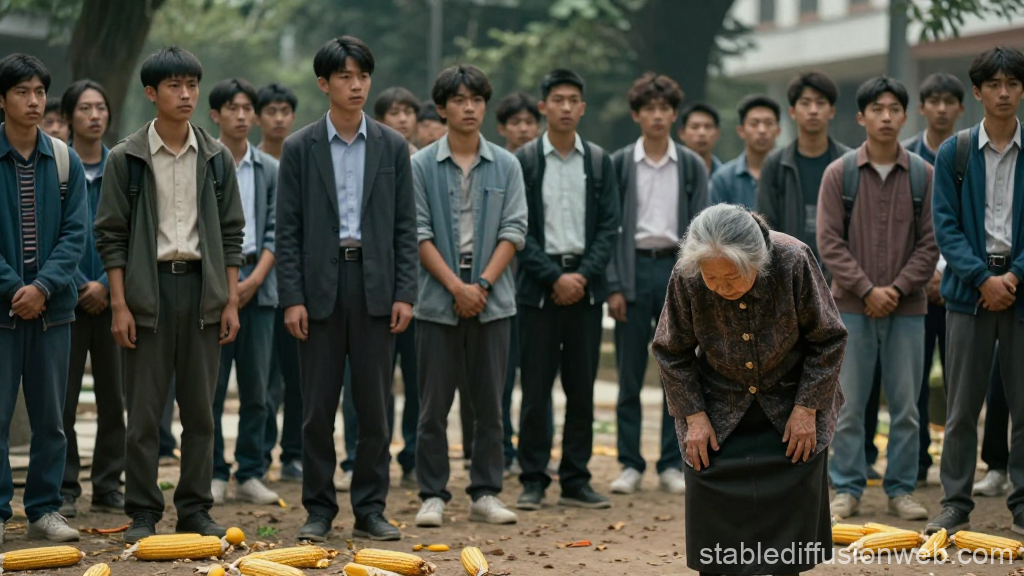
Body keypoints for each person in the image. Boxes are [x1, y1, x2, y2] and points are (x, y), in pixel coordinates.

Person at [95, 46, 244, 543]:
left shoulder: (216, 157)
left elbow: (231, 234)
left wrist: (230, 299)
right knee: (142, 415)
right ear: (151, 93)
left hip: (203, 289)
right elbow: (111, 235)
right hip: (146, 291)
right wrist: (119, 304)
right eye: (175, 86)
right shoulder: (127, 157)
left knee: (201, 412)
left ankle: (196, 508)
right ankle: (142, 510)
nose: (186, 95)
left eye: (192, 85)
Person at [653, 204, 846, 576]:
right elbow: (670, 350)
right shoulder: (688, 273)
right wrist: (694, 416)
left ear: (757, 261)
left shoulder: (793, 259)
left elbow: (829, 339)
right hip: (717, 408)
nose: (722, 288)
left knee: (789, 527)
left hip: (791, 403)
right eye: (713, 279)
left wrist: (807, 409)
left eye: (732, 278)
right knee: (714, 513)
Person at [276, 35, 417, 542]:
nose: (356, 85)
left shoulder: (392, 145)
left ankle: (371, 508)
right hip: (317, 290)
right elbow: (286, 229)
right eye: (344, 77)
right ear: (323, 84)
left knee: (375, 407)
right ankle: (318, 509)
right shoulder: (299, 147)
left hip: (376, 288)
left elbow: (406, 226)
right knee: (316, 409)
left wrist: (405, 292)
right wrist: (291, 296)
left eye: (362, 76)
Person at [411, 65, 527, 528]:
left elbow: (514, 230)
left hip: (491, 298)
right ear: (441, 108)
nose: (469, 107)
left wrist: (479, 286)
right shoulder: (419, 164)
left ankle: (485, 492)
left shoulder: (506, 164)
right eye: (459, 100)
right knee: (432, 404)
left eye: (477, 99)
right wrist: (456, 286)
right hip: (437, 297)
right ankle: (432, 493)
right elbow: (417, 232)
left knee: (490, 403)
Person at [818, 76, 938, 521]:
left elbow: (931, 242)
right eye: (877, 109)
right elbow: (828, 242)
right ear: (861, 116)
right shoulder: (841, 173)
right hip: (851, 307)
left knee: (907, 407)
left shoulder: (924, 175)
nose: (886, 117)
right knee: (848, 405)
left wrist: (897, 289)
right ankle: (846, 488)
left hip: (908, 310)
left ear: (905, 115)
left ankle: (901, 489)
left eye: (894, 109)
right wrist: (868, 289)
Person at [927, 46, 1024, 536]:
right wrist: (983, 278)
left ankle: (1022, 503)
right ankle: (955, 504)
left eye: (1012, 83)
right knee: (962, 407)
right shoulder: (955, 151)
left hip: (1020, 290)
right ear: (979, 92)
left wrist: (1013, 276)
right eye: (994, 85)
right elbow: (945, 225)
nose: (1003, 93)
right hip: (969, 292)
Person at [514, 68, 620, 511]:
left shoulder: (598, 161)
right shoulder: (523, 161)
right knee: (536, 389)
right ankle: (533, 479)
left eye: (572, 99)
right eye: (556, 99)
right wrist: (553, 276)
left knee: (582, 389)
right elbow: (516, 229)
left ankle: (576, 477)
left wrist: (581, 276)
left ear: (582, 107)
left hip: (585, 290)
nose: (564, 106)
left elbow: (609, 227)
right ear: (543, 107)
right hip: (537, 291)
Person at [606, 73, 708, 497]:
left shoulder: (690, 164)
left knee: (678, 371)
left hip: (677, 269)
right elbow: (608, 227)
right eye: (648, 109)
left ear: (674, 114)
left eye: (664, 109)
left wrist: (698, 282)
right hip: (632, 269)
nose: (657, 116)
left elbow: (704, 226)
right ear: (636, 114)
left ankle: (672, 460)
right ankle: (630, 463)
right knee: (629, 374)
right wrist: (614, 284)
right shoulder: (618, 164)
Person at [0, 53, 86, 543]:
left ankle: (44, 509)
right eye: (21, 92)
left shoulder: (63, 157)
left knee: (52, 418)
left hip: (52, 313)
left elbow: (76, 234)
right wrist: (15, 288)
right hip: (3, 312)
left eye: (38, 92)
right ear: (2, 99)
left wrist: (42, 288)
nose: (33, 102)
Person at [868, 72, 966, 487]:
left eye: (950, 101)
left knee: (962, 383)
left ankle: (958, 469)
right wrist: (922, 277)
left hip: (962, 284)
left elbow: (969, 225)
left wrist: (945, 273)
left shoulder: (968, 154)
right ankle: (918, 464)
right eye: (934, 100)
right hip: (912, 289)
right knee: (913, 383)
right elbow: (906, 230)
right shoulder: (905, 157)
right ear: (921, 109)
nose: (942, 108)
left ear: (961, 106)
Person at [207, 78, 281, 506]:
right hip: (214, 288)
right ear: (215, 115)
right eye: (231, 108)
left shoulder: (269, 168)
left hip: (260, 285)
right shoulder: (206, 162)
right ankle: (214, 470)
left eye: (246, 108)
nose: (240, 116)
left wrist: (254, 281)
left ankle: (251, 470)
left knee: (258, 388)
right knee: (212, 389)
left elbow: (276, 230)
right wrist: (227, 287)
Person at [59, 79, 126, 518]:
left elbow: (132, 230)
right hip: (65, 297)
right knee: (60, 399)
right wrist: (79, 283)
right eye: (85, 108)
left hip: (115, 295)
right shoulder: (56, 165)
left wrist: (105, 283)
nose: (95, 116)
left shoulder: (122, 166)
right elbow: (52, 234)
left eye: (101, 107)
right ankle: (65, 486)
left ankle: (108, 485)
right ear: (69, 117)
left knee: (113, 397)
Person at [255, 81, 303, 483]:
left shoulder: (302, 158)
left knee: (299, 379)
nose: (279, 118)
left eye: (286, 111)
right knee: (263, 383)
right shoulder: (251, 166)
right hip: (259, 289)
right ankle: (260, 453)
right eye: (271, 111)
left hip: (296, 288)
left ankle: (294, 455)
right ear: (259, 117)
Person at [494, 90, 543, 474]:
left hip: (537, 289)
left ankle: (535, 454)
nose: (524, 129)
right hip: (501, 287)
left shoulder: (542, 164)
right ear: (503, 128)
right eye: (516, 123)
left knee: (539, 379)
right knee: (502, 377)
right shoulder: (498, 166)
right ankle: (504, 452)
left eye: (529, 122)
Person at [756, 71, 850, 266]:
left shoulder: (848, 162)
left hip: (841, 274)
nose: (813, 110)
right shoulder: (775, 164)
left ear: (832, 111)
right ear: (792, 112)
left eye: (820, 103)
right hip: (788, 269)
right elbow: (766, 227)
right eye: (805, 103)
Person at [710, 94, 782, 209]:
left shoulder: (789, 173)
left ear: (778, 130)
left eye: (769, 123)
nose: (762, 130)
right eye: (754, 124)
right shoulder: (724, 179)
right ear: (741, 131)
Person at [677, 102, 722, 176]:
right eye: (694, 127)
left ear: (717, 133)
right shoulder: (672, 171)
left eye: (708, 127)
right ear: (682, 133)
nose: (702, 133)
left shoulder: (724, 177)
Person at [374, 86, 420, 156]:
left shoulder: (424, 158)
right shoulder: (371, 155)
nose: (403, 119)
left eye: (408, 112)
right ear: (379, 120)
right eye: (394, 113)